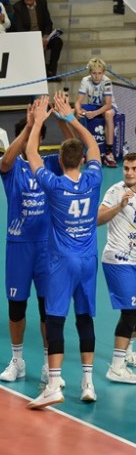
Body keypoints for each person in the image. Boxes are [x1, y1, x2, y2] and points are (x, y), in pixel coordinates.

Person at [26, 92, 102, 408]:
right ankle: (88, 383)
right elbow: (94, 146)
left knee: (55, 319)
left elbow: (31, 152)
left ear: (60, 161)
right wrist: (71, 118)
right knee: (85, 319)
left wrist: (38, 121)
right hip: (88, 260)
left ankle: (54, 385)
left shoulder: (54, 185)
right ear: (81, 160)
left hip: (62, 262)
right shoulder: (94, 179)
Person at [0, 106, 59, 384]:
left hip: (46, 247)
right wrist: (29, 126)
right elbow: (4, 161)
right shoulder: (13, 168)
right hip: (18, 247)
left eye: (36, 133)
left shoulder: (51, 164)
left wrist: (63, 118)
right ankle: (17, 361)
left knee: (47, 309)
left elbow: (78, 151)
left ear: (42, 139)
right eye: (27, 133)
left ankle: (48, 365)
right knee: (16, 308)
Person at [98, 152, 136, 384]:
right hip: (118, 260)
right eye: (126, 168)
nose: (129, 173)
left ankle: (128, 352)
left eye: (134, 169)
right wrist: (120, 206)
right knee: (130, 312)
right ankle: (116, 367)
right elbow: (97, 219)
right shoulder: (115, 191)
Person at [11, 0, 63, 82]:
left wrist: (46, 36)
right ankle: (39, 73)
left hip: (43, 36)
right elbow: (19, 29)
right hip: (28, 38)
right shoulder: (18, 7)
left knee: (57, 42)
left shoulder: (42, 4)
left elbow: (48, 23)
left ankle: (51, 72)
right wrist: (36, 40)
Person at [75, 57, 117, 168]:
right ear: (90, 72)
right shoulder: (85, 80)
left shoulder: (107, 81)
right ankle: (78, 149)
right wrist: (78, 110)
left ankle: (109, 153)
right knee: (72, 112)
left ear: (103, 72)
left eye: (99, 73)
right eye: (94, 73)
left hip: (108, 107)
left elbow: (108, 105)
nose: (97, 76)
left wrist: (94, 113)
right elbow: (78, 102)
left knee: (108, 114)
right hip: (93, 106)